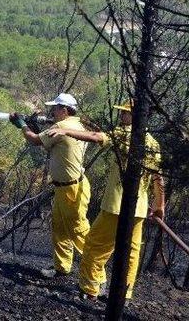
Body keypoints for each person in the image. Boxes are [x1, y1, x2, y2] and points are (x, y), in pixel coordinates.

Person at [46, 100, 165, 301]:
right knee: (131, 254)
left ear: (134, 116)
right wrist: (159, 205)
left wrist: (66, 132)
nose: (121, 117)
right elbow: (157, 176)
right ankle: (123, 296)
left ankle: (89, 290)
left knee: (93, 245)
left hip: (115, 206)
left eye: (124, 113)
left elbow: (95, 137)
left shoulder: (123, 135)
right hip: (139, 210)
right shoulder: (152, 142)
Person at [9, 93, 91, 278]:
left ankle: (97, 276)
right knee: (60, 228)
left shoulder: (62, 126)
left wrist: (21, 124)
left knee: (79, 231)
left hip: (71, 189)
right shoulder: (77, 126)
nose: (52, 111)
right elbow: (51, 144)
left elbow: (35, 140)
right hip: (68, 187)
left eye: (55, 108)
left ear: (64, 110)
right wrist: (34, 126)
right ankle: (62, 268)